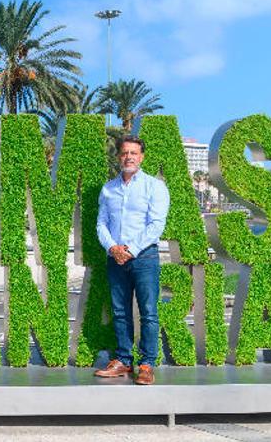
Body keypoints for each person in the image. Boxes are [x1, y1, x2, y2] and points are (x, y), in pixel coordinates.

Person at [94, 136, 169, 385]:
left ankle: (147, 364)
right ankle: (124, 361)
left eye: (134, 153)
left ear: (142, 157)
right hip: (115, 258)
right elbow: (101, 223)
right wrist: (113, 247)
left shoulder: (154, 187)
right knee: (120, 312)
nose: (129, 157)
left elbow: (156, 225)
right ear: (118, 157)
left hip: (144, 257)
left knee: (148, 312)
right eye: (125, 153)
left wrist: (131, 249)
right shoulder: (108, 189)